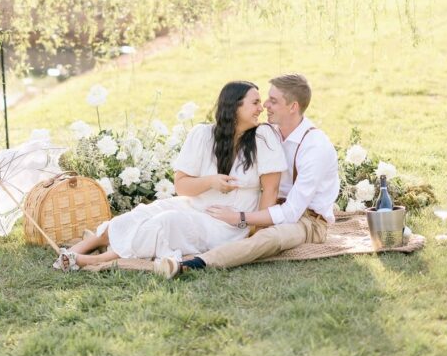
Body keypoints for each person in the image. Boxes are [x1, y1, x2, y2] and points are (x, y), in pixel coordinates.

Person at [52, 80, 287, 271]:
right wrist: (210, 181)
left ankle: (99, 260)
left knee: (165, 223)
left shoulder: (263, 138)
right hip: (193, 205)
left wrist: (254, 230)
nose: (261, 108)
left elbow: (271, 190)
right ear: (234, 106)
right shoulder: (203, 135)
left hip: (227, 225)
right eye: (255, 103)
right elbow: (182, 186)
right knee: (139, 214)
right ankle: (79, 249)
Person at [155, 73, 339, 278]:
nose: (265, 105)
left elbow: (291, 212)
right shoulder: (270, 132)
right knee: (168, 212)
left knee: (271, 238)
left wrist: (240, 218)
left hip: (307, 220)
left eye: (273, 101)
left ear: (293, 107)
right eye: (265, 99)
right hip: (266, 208)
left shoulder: (315, 147)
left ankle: (193, 264)